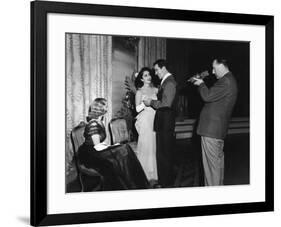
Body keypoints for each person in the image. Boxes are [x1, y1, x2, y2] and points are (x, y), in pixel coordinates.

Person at [77, 98, 149, 191]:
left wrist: (114, 147)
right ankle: (131, 185)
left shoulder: (98, 121)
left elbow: (99, 145)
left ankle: (132, 184)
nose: (107, 108)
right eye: (106, 106)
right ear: (100, 109)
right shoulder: (93, 124)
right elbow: (98, 146)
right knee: (122, 150)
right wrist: (113, 147)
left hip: (94, 150)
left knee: (123, 150)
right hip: (90, 154)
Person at [191, 58, 238, 186]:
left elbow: (207, 96)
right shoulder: (229, 80)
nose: (212, 71)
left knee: (211, 171)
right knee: (216, 168)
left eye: (214, 68)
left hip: (211, 131)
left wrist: (201, 84)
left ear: (222, 65)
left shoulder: (226, 81)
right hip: (216, 131)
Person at [143, 59, 177, 188]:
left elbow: (165, 104)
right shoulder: (167, 82)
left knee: (164, 154)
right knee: (163, 153)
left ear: (163, 68)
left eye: (157, 70)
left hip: (165, 123)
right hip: (164, 122)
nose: (155, 73)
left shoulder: (169, 82)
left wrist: (150, 102)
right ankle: (164, 181)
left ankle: (166, 183)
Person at [134, 67, 158, 185]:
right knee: (145, 145)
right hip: (145, 119)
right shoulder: (139, 91)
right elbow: (137, 109)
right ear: (142, 79)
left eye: (149, 75)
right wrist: (144, 103)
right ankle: (143, 172)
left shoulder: (156, 90)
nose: (148, 77)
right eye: (145, 75)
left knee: (153, 144)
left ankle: (153, 172)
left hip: (154, 118)